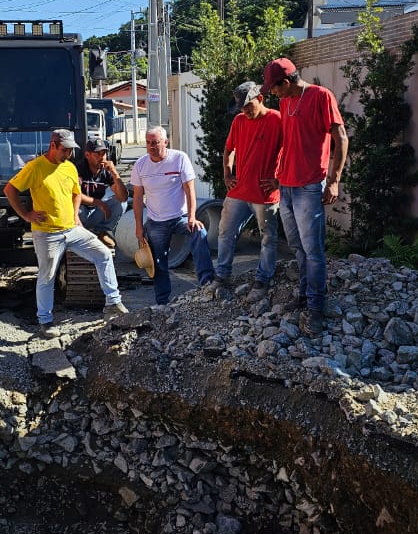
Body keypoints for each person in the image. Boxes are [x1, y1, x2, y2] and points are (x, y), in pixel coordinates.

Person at [4, 128, 128, 336]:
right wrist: (26, 215)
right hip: (47, 233)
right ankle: (45, 321)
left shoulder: (69, 168)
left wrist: (75, 216)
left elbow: (76, 194)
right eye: (65, 150)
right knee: (47, 276)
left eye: (71, 151)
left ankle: (113, 303)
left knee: (104, 254)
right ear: (53, 145)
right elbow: (10, 190)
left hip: (71, 229)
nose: (69, 154)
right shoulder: (35, 168)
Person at [263, 57, 348, 336]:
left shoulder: (320, 97)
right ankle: (303, 295)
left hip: (309, 185)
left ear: (285, 82)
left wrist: (333, 181)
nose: (272, 94)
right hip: (286, 186)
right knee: (297, 246)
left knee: (313, 250)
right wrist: (278, 172)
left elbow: (341, 138)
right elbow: (288, 141)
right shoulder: (286, 102)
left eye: (274, 89)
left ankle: (316, 307)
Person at [131, 125, 214, 306]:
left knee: (200, 233)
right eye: (148, 143)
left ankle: (207, 283)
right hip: (156, 221)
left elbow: (189, 190)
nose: (151, 146)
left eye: (155, 142)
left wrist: (192, 217)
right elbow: (137, 197)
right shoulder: (141, 165)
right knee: (158, 262)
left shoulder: (179, 158)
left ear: (165, 142)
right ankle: (163, 302)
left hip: (180, 217)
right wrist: (138, 225)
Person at [213, 80, 283, 295]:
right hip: (239, 190)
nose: (245, 111)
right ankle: (222, 275)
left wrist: (279, 179)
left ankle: (263, 278)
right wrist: (227, 173)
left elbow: (293, 150)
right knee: (225, 232)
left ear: (260, 98)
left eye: (248, 106)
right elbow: (229, 149)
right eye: (241, 108)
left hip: (265, 193)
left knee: (268, 237)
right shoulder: (239, 121)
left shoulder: (277, 120)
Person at [75, 135, 128, 248]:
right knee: (76, 208)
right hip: (80, 213)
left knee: (121, 203)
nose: (101, 157)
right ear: (87, 155)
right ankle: (82, 237)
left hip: (96, 212)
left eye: (103, 153)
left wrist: (114, 173)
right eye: (97, 154)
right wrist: (99, 203)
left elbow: (123, 197)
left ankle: (101, 232)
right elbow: (75, 195)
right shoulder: (78, 169)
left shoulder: (106, 171)